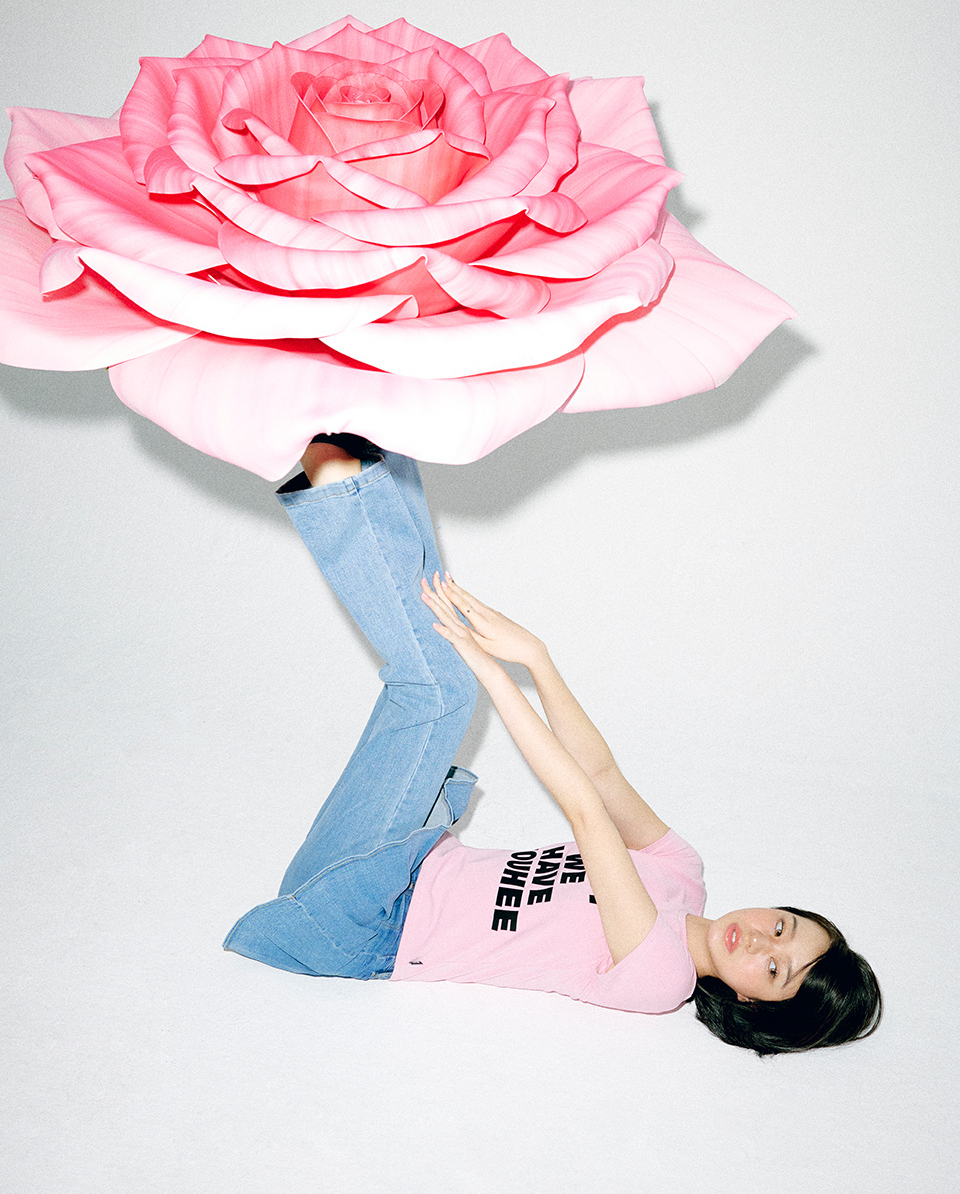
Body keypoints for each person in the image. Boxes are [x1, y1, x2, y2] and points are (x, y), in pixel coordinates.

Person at [223, 439, 881, 1056]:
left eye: (774, 970)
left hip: (362, 922)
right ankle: (363, 449)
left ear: (752, 1004)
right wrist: (537, 659)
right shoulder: (684, 873)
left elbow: (587, 814)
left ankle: (340, 476)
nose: (761, 940)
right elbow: (600, 774)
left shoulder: (663, 978)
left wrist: (490, 671)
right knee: (442, 666)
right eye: (783, 928)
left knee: (441, 689)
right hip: (402, 859)